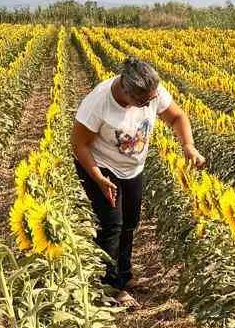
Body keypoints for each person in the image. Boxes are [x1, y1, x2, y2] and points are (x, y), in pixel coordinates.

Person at [72, 56, 205, 296]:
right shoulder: (98, 102)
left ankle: (123, 275)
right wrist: (98, 178)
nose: (149, 104)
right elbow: (79, 145)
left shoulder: (151, 91)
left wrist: (189, 145)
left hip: (133, 168)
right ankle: (108, 288)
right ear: (126, 91)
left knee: (130, 223)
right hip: (99, 165)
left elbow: (177, 117)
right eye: (143, 102)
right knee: (112, 224)